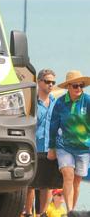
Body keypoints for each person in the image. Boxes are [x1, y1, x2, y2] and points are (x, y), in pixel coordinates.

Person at [47, 70, 90, 213]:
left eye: (81, 86)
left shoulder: (88, 101)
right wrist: (51, 148)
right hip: (64, 146)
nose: (79, 89)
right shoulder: (60, 103)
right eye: (75, 86)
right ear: (68, 87)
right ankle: (70, 209)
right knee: (68, 174)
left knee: (77, 181)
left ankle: (72, 211)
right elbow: (53, 125)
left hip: (84, 147)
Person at [24, 69, 57, 216]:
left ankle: (42, 214)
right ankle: (27, 212)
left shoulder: (56, 103)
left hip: (49, 148)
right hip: (33, 146)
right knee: (29, 183)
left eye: (53, 82)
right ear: (39, 82)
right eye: (47, 81)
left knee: (47, 184)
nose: (50, 85)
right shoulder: (31, 102)